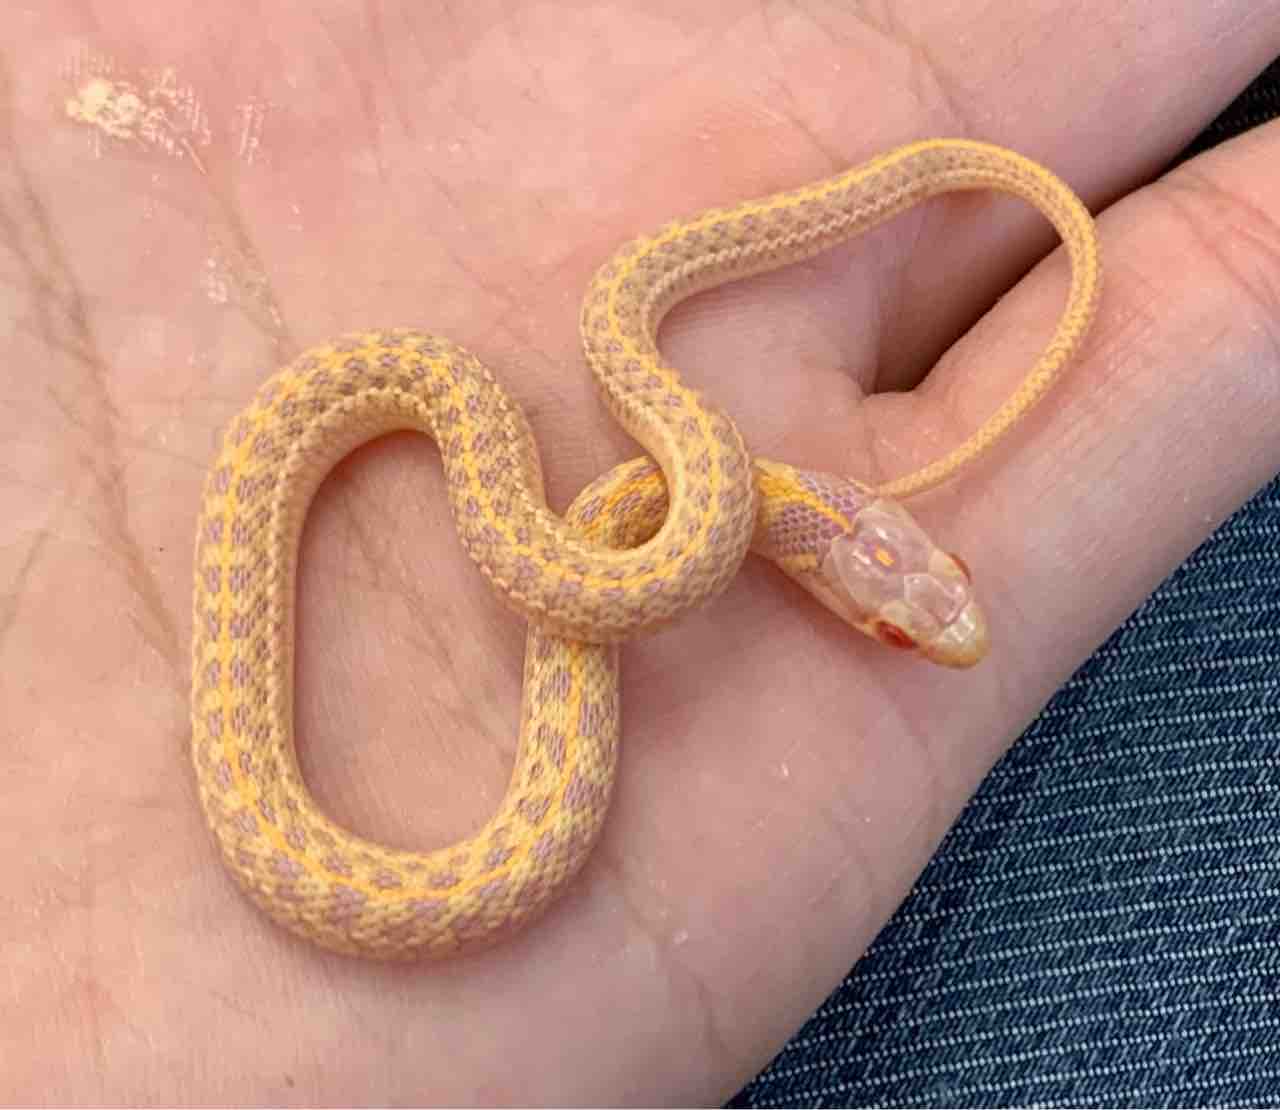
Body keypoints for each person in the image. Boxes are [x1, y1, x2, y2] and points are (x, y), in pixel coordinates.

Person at [3, 2, 1278, 1103]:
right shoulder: (651, 503)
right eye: (903, 616)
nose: (919, 622)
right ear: (843, 563)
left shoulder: (649, 504)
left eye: (910, 605)